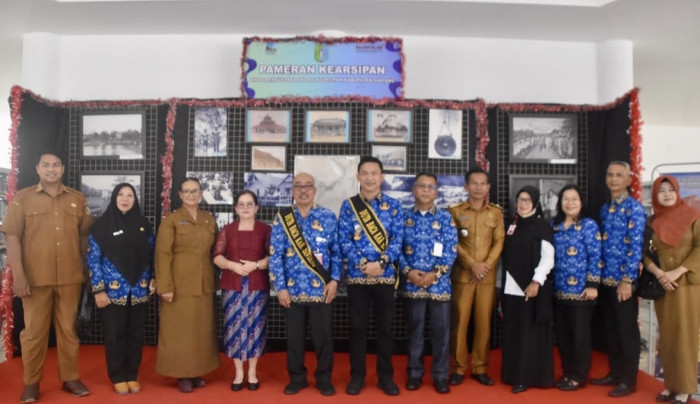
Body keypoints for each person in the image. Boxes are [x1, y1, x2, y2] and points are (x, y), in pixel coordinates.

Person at [1, 152, 92, 403]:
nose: (51, 169)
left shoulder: (77, 198)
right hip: (35, 279)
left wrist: (88, 269)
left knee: (68, 331)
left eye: (55, 165)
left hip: (70, 277)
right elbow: (12, 238)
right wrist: (19, 277)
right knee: (33, 333)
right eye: (46, 165)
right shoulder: (23, 198)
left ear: (62, 169)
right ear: (38, 169)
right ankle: (31, 383)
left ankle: (70, 378)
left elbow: (85, 237)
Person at [269, 173, 342, 396]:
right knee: (294, 340)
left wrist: (334, 280)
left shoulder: (327, 216)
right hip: (292, 291)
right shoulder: (282, 218)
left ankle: (324, 379)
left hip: (322, 290)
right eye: (298, 186)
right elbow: (275, 255)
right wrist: (280, 287)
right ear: (292, 190)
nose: (303, 190)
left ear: (314, 190)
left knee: (323, 338)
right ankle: (297, 378)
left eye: (308, 186)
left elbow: (337, 253)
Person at [338, 156, 404, 396]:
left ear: (382, 176)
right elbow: (344, 240)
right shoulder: (349, 205)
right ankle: (357, 376)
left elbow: (397, 240)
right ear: (358, 176)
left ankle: (385, 377)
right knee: (357, 329)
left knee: (385, 329)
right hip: (358, 277)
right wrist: (364, 263)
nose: (369, 177)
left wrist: (381, 263)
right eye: (364, 173)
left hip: (385, 277)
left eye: (374, 173)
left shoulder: (394, 206)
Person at [87, 183, 155, 395]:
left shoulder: (144, 225)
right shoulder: (100, 227)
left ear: (135, 199)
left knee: (135, 335)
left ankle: (132, 374)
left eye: (130, 195)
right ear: (114, 197)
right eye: (121, 195)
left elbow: (152, 254)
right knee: (115, 335)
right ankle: (117, 375)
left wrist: (153, 277)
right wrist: (98, 290)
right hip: (112, 292)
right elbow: (93, 260)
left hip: (139, 290)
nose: (125, 199)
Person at [154, 177, 220, 393]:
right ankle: (182, 374)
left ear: (200, 194)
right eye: (187, 191)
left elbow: (216, 252)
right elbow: (162, 254)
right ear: (180, 195)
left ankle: (196, 371)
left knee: (200, 331)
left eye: (195, 191)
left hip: (204, 285)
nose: (191, 195)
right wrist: (165, 286)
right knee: (179, 332)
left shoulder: (209, 220)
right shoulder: (172, 220)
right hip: (179, 286)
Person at [589, 161, 645, 398]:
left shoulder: (635, 209)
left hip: (623, 283)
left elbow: (635, 248)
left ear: (629, 180)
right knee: (611, 331)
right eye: (610, 174)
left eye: (619, 175)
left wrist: (627, 280)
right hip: (605, 281)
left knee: (626, 332)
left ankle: (627, 381)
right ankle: (614, 373)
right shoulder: (606, 209)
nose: (614, 179)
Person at [398, 173, 458, 394]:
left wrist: (435, 274)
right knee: (415, 332)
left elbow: (451, 250)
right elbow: (396, 249)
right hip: (412, 284)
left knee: (441, 334)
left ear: (436, 191)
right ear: (413, 189)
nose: (425, 190)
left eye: (430, 187)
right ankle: (414, 373)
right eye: (421, 186)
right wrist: (408, 271)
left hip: (439, 286)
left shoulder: (445, 218)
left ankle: (441, 375)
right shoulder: (403, 217)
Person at [643, 175, 700, 404]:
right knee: (666, 336)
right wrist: (659, 274)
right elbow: (645, 253)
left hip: (687, 285)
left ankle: (685, 388)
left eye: (670, 190)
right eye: (661, 190)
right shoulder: (651, 222)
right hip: (664, 285)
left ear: (677, 192)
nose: (666, 194)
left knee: (685, 335)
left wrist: (677, 272)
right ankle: (670, 384)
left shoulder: (693, 215)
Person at [448, 167, 504, 387]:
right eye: (474, 183)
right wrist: (472, 265)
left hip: (486, 279)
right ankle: (458, 368)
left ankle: (480, 368)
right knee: (459, 323)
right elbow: (453, 242)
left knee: (483, 324)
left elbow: (499, 241)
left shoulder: (495, 213)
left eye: (483, 184)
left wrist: (485, 266)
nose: (479, 188)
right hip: (463, 276)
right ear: (466, 186)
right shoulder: (455, 211)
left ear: (488, 187)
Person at [212, 190, 271, 392]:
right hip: (233, 286)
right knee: (234, 329)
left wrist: (256, 265)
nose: (245, 207)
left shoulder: (265, 230)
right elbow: (217, 256)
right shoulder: (227, 230)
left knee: (256, 329)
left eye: (249, 204)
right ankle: (238, 373)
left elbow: (273, 257)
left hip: (257, 286)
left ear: (256, 207)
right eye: (241, 204)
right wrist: (232, 265)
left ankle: (252, 372)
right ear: (236, 208)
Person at [500, 185, 555, 393]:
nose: (523, 204)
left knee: (528, 334)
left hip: (532, 288)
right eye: (520, 199)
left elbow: (548, 258)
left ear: (535, 203)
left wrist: (536, 282)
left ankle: (525, 378)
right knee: (514, 333)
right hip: (511, 289)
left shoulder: (542, 227)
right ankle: (512, 374)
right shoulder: (511, 225)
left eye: (527, 200)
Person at [551, 184, 602, 391]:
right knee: (564, 338)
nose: (570, 203)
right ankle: (567, 373)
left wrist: (592, 284)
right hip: (558, 291)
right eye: (566, 199)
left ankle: (578, 377)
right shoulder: (554, 226)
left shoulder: (588, 225)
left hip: (582, 292)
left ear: (581, 203)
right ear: (560, 202)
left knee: (579, 337)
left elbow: (596, 256)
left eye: (574, 199)